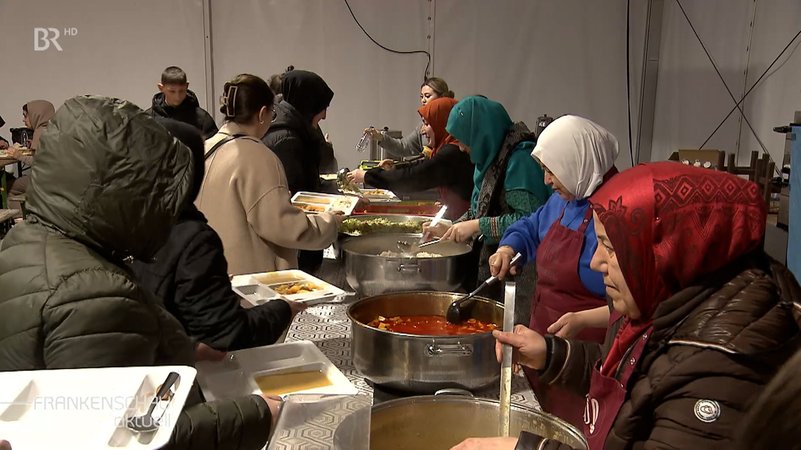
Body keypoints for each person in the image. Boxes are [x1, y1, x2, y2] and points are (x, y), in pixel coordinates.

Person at [452, 162, 801, 450]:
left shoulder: (725, 365)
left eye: (611, 247)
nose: (596, 262)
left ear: (667, 249)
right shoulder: (662, 300)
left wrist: (525, 448)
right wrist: (550, 354)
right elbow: (631, 378)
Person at [0, 95, 280, 449]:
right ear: (123, 192)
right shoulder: (92, 294)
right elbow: (125, 437)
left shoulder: (26, 239)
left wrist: (183, 347)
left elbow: (73, 365)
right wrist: (257, 415)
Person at [486, 116, 617, 427]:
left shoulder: (614, 212)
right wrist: (508, 248)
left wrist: (583, 318)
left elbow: (638, 307)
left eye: (551, 170)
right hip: (545, 350)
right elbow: (531, 227)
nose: (545, 180)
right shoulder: (564, 200)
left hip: (587, 362)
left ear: (577, 162)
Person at [130, 118, 305, 351]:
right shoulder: (193, 238)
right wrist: (282, 309)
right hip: (192, 376)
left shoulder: (128, 222)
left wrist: (210, 286)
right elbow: (227, 334)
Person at [197, 73, 341, 275]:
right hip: (251, 284)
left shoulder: (204, 149)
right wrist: (330, 224)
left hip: (210, 272)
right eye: (272, 113)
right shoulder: (258, 157)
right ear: (262, 113)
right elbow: (282, 226)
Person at [426, 96, 550, 318]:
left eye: (464, 139)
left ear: (482, 134)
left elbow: (531, 220)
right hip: (498, 266)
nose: (462, 148)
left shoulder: (519, 161)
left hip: (521, 276)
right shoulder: (492, 157)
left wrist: (477, 226)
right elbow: (480, 209)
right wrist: (450, 227)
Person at [347, 97, 474, 220]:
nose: (422, 131)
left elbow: (415, 176)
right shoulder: (448, 148)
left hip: (463, 226)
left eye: (426, 124)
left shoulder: (453, 152)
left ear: (442, 122)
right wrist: (394, 168)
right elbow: (421, 165)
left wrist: (367, 176)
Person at [261, 69, 336, 273]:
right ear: (309, 104)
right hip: (295, 244)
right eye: (323, 108)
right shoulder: (288, 138)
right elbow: (299, 196)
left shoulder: (294, 126)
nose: (325, 115)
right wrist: (334, 212)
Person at [364, 77, 455, 159]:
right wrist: (380, 137)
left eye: (427, 96)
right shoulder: (422, 126)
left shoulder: (455, 125)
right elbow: (404, 147)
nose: (423, 100)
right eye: (421, 96)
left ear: (442, 97)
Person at [6, 100, 55, 209]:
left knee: (8, 188)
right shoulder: (53, 129)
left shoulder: (41, 132)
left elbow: (40, 163)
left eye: (25, 116)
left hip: (46, 181)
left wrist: (19, 156)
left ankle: (19, 221)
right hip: (56, 179)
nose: (23, 119)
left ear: (36, 115)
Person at [147, 65, 218, 139]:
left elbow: (215, 148)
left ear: (187, 86)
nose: (177, 97)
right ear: (161, 88)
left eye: (181, 91)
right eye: (172, 91)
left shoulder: (202, 118)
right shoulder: (148, 119)